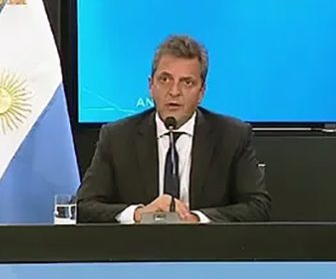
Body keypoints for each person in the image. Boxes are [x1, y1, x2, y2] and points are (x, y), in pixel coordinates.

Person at [77, 35, 271, 223]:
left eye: (187, 82)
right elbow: (85, 206)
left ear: (201, 92)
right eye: (165, 79)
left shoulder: (232, 136)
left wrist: (196, 219)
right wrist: (139, 214)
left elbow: (257, 207)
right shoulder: (117, 137)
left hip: (206, 244)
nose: (174, 92)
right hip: (139, 244)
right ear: (151, 85)